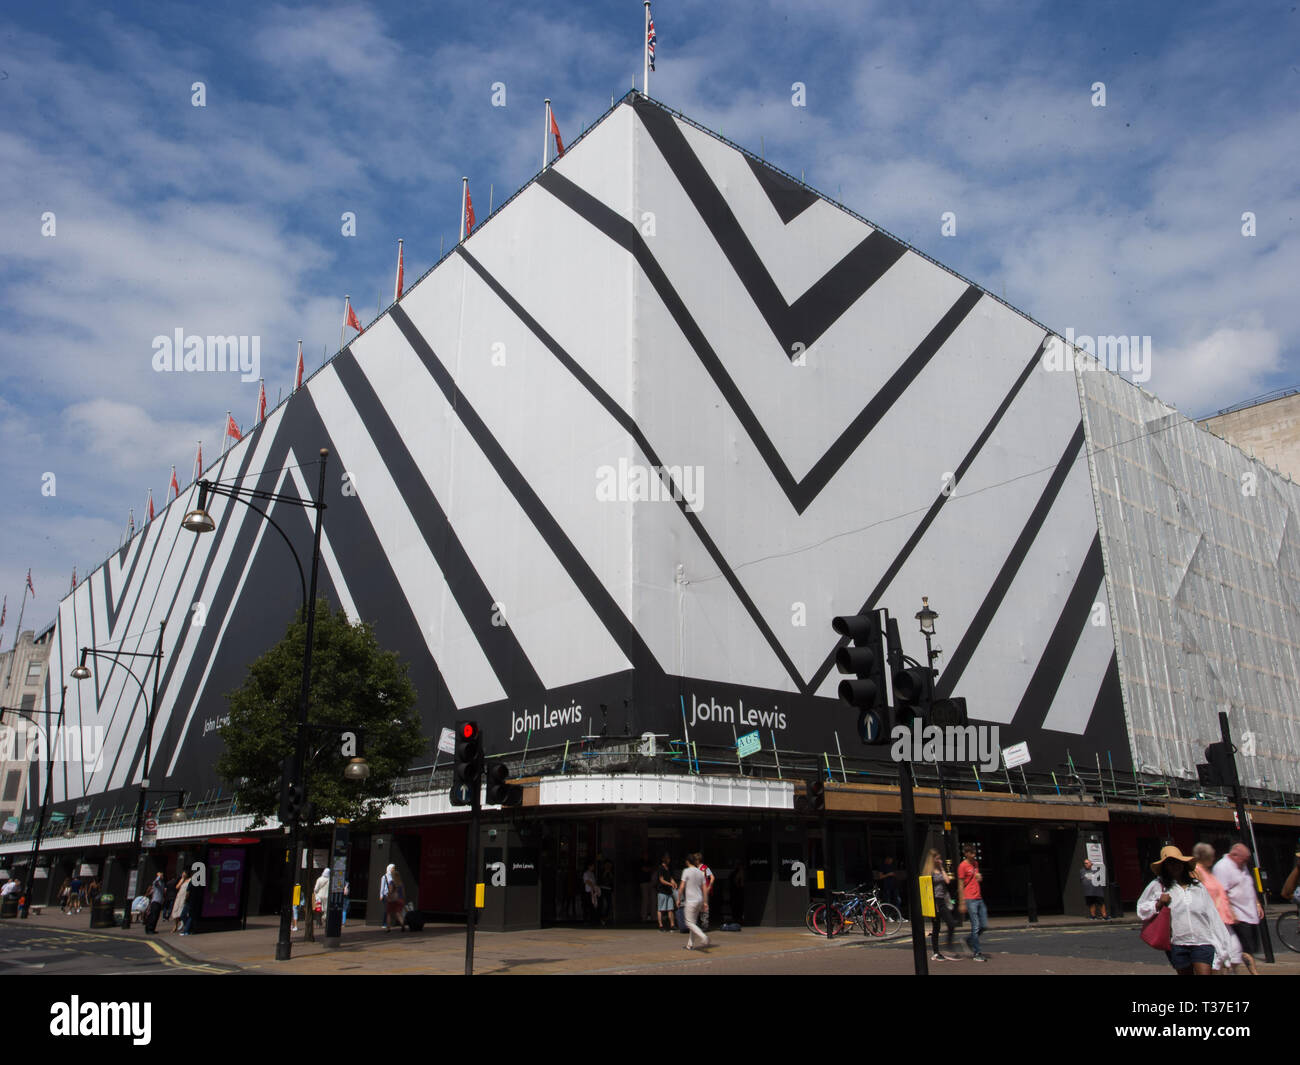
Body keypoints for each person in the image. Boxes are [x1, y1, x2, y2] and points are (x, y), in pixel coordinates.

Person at [1138, 845, 1232, 975]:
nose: (1174, 866)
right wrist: (1159, 903)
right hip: (1177, 943)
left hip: (1202, 942)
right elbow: (1141, 909)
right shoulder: (1158, 886)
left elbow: (1213, 915)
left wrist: (1223, 946)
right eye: (1170, 863)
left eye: (1177, 862)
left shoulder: (1198, 886)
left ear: (1183, 864)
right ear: (1164, 867)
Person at [1213, 844, 1262, 975]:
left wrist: (1257, 904)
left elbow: (1249, 885)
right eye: (1244, 860)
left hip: (1249, 914)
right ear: (1234, 855)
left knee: (1244, 950)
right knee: (1241, 950)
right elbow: (1221, 893)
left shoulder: (1241, 864)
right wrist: (1231, 913)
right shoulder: (1222, 867)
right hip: (1237, 916)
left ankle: (1231, 971)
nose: (1246, 863)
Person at [1192, 843, 1240, 972]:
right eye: (1211, 856)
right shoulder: (1196, 871)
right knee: (1219, 955)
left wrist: (1230, 910)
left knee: (1233, 952)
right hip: (1210, 920)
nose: (1213, 858)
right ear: (1203, 856)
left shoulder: (1208, 871)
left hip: (1221, 918)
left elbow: (1220, 892)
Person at [957, 844, 988, 961]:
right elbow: (960, 885)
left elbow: (976, 878)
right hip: (970, 899)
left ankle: (969, 940)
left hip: (979, 897)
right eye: (972, 853)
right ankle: (977, 953)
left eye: (975, 853)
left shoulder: (975, 864)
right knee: (975, 926)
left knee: (984, 925)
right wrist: (962, 902)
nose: (974, 855)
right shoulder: (962, 866)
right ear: (966, 853)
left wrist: (979, 877)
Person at [924, 849, 957, 960]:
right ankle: (936, 952)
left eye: (939, 858)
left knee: (951, 923)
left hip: (942, 900)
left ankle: (948, 945)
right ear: (932, 859)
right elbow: (927, 888)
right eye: (937, 858)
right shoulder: (929, 871)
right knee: (936, 927)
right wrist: (933, 904)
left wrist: (942, 868)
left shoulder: (939, 870)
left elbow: (947, 881)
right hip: (935, 901)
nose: (940, 860)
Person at [679, 854, 710, 950]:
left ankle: (703, 937)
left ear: (688, 862)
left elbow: (681, 887)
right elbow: (704, 888)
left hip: (691, 900)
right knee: (693, 922)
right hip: (699, 899)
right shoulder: (700, 872)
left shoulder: (686, 871)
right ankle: (690, 945)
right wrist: (705, 902)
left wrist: (678, 898)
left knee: (688, 923)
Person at [379, 864, 405, 932]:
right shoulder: (400, 883)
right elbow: (403, 892)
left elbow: (390, 891)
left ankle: (388, 928)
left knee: (388, 913)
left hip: (393, 900)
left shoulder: (392, 882)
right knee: (398, 913)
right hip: (400, 899)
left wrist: (388, 896)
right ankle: (402, 925)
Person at [655, 853, 677, 932]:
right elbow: (661, 880)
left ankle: (672, 925)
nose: (669, 860)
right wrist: (670, 884)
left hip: (669, 891)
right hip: (662, 891)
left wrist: (673, 882)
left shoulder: (669, 868)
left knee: (670, 909)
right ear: (664, 859)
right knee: (661, 909)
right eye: (667, 858)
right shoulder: (660, 868)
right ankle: (660, 925)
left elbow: (670, 877)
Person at [696, 853, 715, 932]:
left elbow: (712, 877)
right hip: (697, 891)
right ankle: (697, 924)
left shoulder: (705, 868)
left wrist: (709, 887)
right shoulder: (694, 868)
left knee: (705, 908)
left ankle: (705, 925)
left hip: (704, 891)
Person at [598, 860, 615, 926]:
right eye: (607, 865)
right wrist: (605, 872)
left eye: (609, 865)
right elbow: (600, 879)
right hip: (602, 889)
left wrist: (610, 873)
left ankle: (605, 918)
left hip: (609, 890)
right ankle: (602, 918)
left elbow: (613, 880)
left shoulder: (612, 871)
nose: (608, 866)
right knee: (602, 904)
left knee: (609, 904)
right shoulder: (602, 871)